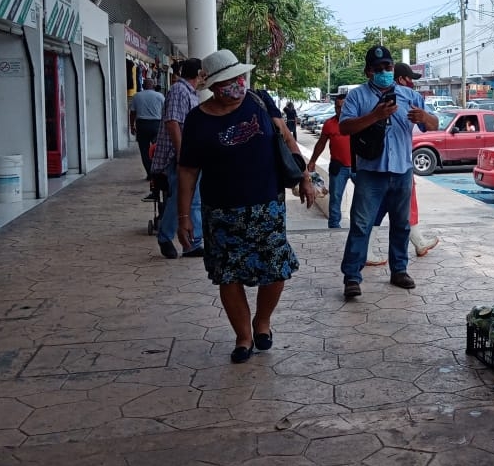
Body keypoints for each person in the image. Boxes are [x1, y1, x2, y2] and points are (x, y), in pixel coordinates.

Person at [177, 49, 315, 364]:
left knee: (276, 270)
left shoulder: (259, 101)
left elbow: (286, 139)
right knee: (229, 275)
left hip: (267, 206)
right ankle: (243, 337)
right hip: (221, 212)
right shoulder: (197, 120)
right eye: (227, 81)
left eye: (238, 77)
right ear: (212, 86)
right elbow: (187, 170)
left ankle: (262, 320)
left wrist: (304, 176)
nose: (236, 85)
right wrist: (184, 216)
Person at [339, 46, 438, 298]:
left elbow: (434, 124)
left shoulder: (408, 95)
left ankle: (399, 270)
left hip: (402, 171)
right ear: (368, 71)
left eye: (388, 67)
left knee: (401, 224)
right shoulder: (357, 97)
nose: (384, 72)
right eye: (379, 68)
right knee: (361, 225)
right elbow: (346, 128)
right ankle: (352, 276)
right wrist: (375, 115)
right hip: (370, 172)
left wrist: (424, 116)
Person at [366, 63, 440, 264]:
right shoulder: (365, 97)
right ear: (400, 79)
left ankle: (403, 262)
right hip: (376, 167)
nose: (412, 84)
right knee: (383, 211)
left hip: (401, 167)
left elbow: (433, 124)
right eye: (410, 80)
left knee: (397, 212)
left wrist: (424, 117)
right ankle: (364, 258)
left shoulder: (412, 99)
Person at [150, 59, 205, 259]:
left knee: (195, 200)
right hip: (180, 157)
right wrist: (183, 154)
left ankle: (193, 243)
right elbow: (173, 123)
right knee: (178, 199)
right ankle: (166, 237)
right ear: (198, 73)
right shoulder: (178, 91)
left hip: (191, 155)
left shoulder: (190, 93)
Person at [307, 93, 353, 228]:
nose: (340, 110)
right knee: (335, 199)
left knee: (364, 198)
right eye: (337, 107)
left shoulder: (358, 122)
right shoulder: (329, 124)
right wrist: (312, 161)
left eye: (343, 107)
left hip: (359, 167)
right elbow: (321, 143)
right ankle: (334, 227)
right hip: (338, 167)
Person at [129, 78, 165, 178]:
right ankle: (157, 172)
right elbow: (165, 111)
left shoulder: (137, 96)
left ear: (143, 86)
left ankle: (149, 173)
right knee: (157, 150)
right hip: (156, 125)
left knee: (144, 150)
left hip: (142, 125)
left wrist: (132, 126)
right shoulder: (160, 96)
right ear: (153, 85)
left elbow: (132, 113)